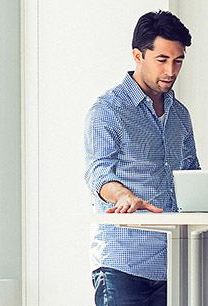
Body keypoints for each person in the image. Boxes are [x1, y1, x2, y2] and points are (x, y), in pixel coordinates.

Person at [84, 10, 200, 306]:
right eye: (162, 60)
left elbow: (191, 176)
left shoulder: (181, 115)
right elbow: (99, 173)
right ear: (138, 55)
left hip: (175, 262)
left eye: (178, 61)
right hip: (123, 263)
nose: (171, 71)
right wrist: (122, 195)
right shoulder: (108, 111)